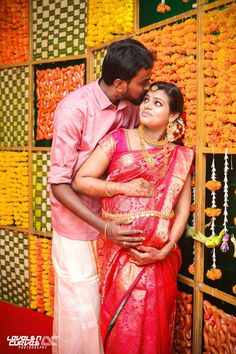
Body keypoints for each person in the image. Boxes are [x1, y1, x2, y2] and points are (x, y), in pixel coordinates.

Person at [48, 38, 154, 354]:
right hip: (77, 225)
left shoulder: (134, 107)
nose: (147, 89)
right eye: (143, 82)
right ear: (120, 83)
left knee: (104, 304)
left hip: (115, 224)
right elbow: (59, 184)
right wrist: (105, 228)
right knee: (79, 307)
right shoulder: (74, 109)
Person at [72, 82, 194, 354]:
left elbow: (183, 209)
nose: (148, 105)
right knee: (120, 328)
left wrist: (165, 249)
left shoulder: (180, 156)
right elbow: (81, 181)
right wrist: (123, 187)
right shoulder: (116, 139)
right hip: (119, 251)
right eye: (147, 99)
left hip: (159, 259)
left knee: (153, 329)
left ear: (173, 116)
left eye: (158, 103)